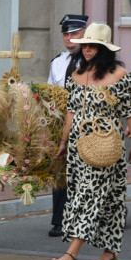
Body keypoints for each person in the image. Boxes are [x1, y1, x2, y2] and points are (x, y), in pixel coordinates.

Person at [51, 24, 131, 260]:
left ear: (103, 49)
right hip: (78, 148)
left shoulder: (119, 74)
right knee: (109, 198)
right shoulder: (77, 73)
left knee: (88, 196)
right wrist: (63, 141)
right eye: (86, 45)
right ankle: (111, 250)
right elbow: (70, 111)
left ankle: (71, 254)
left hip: (105, 145)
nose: (88, 49)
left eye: (94, 46)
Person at [44, 14, 88, 237]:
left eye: (75, 34)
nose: (69, 39)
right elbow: (49, 96)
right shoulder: (57, 62)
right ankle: (60, 220)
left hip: (86, 124)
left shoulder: (91, 61)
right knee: (60, 171)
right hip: (61, 124)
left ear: (84, 34)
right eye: (66, 34)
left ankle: (92, 214)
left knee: (85, 171)